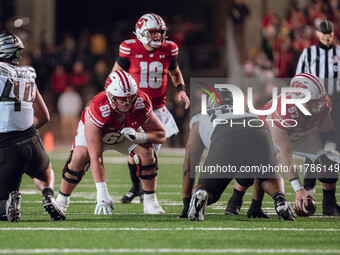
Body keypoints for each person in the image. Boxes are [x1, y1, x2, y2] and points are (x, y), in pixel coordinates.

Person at [227, 73, 340, 216]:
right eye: (314, 102)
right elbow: (285, 155)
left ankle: (329, 205)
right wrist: (299, 189)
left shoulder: (322, 104)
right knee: (253, 170)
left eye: (320, 100)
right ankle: (234, 203)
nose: (320, 104)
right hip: (261, 133)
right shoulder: (283, 111)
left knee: (327, 161)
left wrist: (330, 149)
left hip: (299, 135)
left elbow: (327, 133)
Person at [56, 70, 166, 215]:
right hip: (99, 134)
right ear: (111, 97)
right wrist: (102, 194)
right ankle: (61, 200)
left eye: (131, 97)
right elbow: (97, 157)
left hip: (126, 133)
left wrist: (140, 137)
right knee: (80, 156)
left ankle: (150, 201)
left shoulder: (140, 101)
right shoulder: (98, 108)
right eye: (122, 99)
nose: (127, 102)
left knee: (147, 152)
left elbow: (161, 135)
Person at [181, 88, 294, 221]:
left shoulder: (201, 118)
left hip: (225, 134)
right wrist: (256, 205)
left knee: (211, 191)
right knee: (268, 176)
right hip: (259, 129)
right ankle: (280, 200)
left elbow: (189, 168)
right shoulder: (250, 113)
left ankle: (202, 193)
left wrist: (187, 204)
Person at [111, 13, 190, 204]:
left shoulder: (169, 49)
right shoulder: (129, 48)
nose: (158, 37)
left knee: (149, 154)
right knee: (134, 154)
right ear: (142, 32)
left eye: (160, 33)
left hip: (156, 110)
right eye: (153, 33)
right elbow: (115, 75)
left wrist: (181, 90)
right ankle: (136, 188)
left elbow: (175, 72)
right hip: (134, 109)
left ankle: (146, 192)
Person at [0, 32, 65, 222]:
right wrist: (23, 132)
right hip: (30, 139)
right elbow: (44, 116)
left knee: (2, 211)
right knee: (45, 172)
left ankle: (8, 203)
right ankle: (48, 195)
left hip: (5, 145)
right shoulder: (28, 73)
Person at [295, 20, 340, 192]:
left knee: (334, 139)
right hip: (315, 101)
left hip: (336, 100)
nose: (327, 36)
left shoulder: (339, 52)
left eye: (330, 33)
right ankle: (309, 183)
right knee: (312, 138)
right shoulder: (308, 53)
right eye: (324, 33)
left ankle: (330, 179)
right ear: (317, 34)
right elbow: (299, 77)